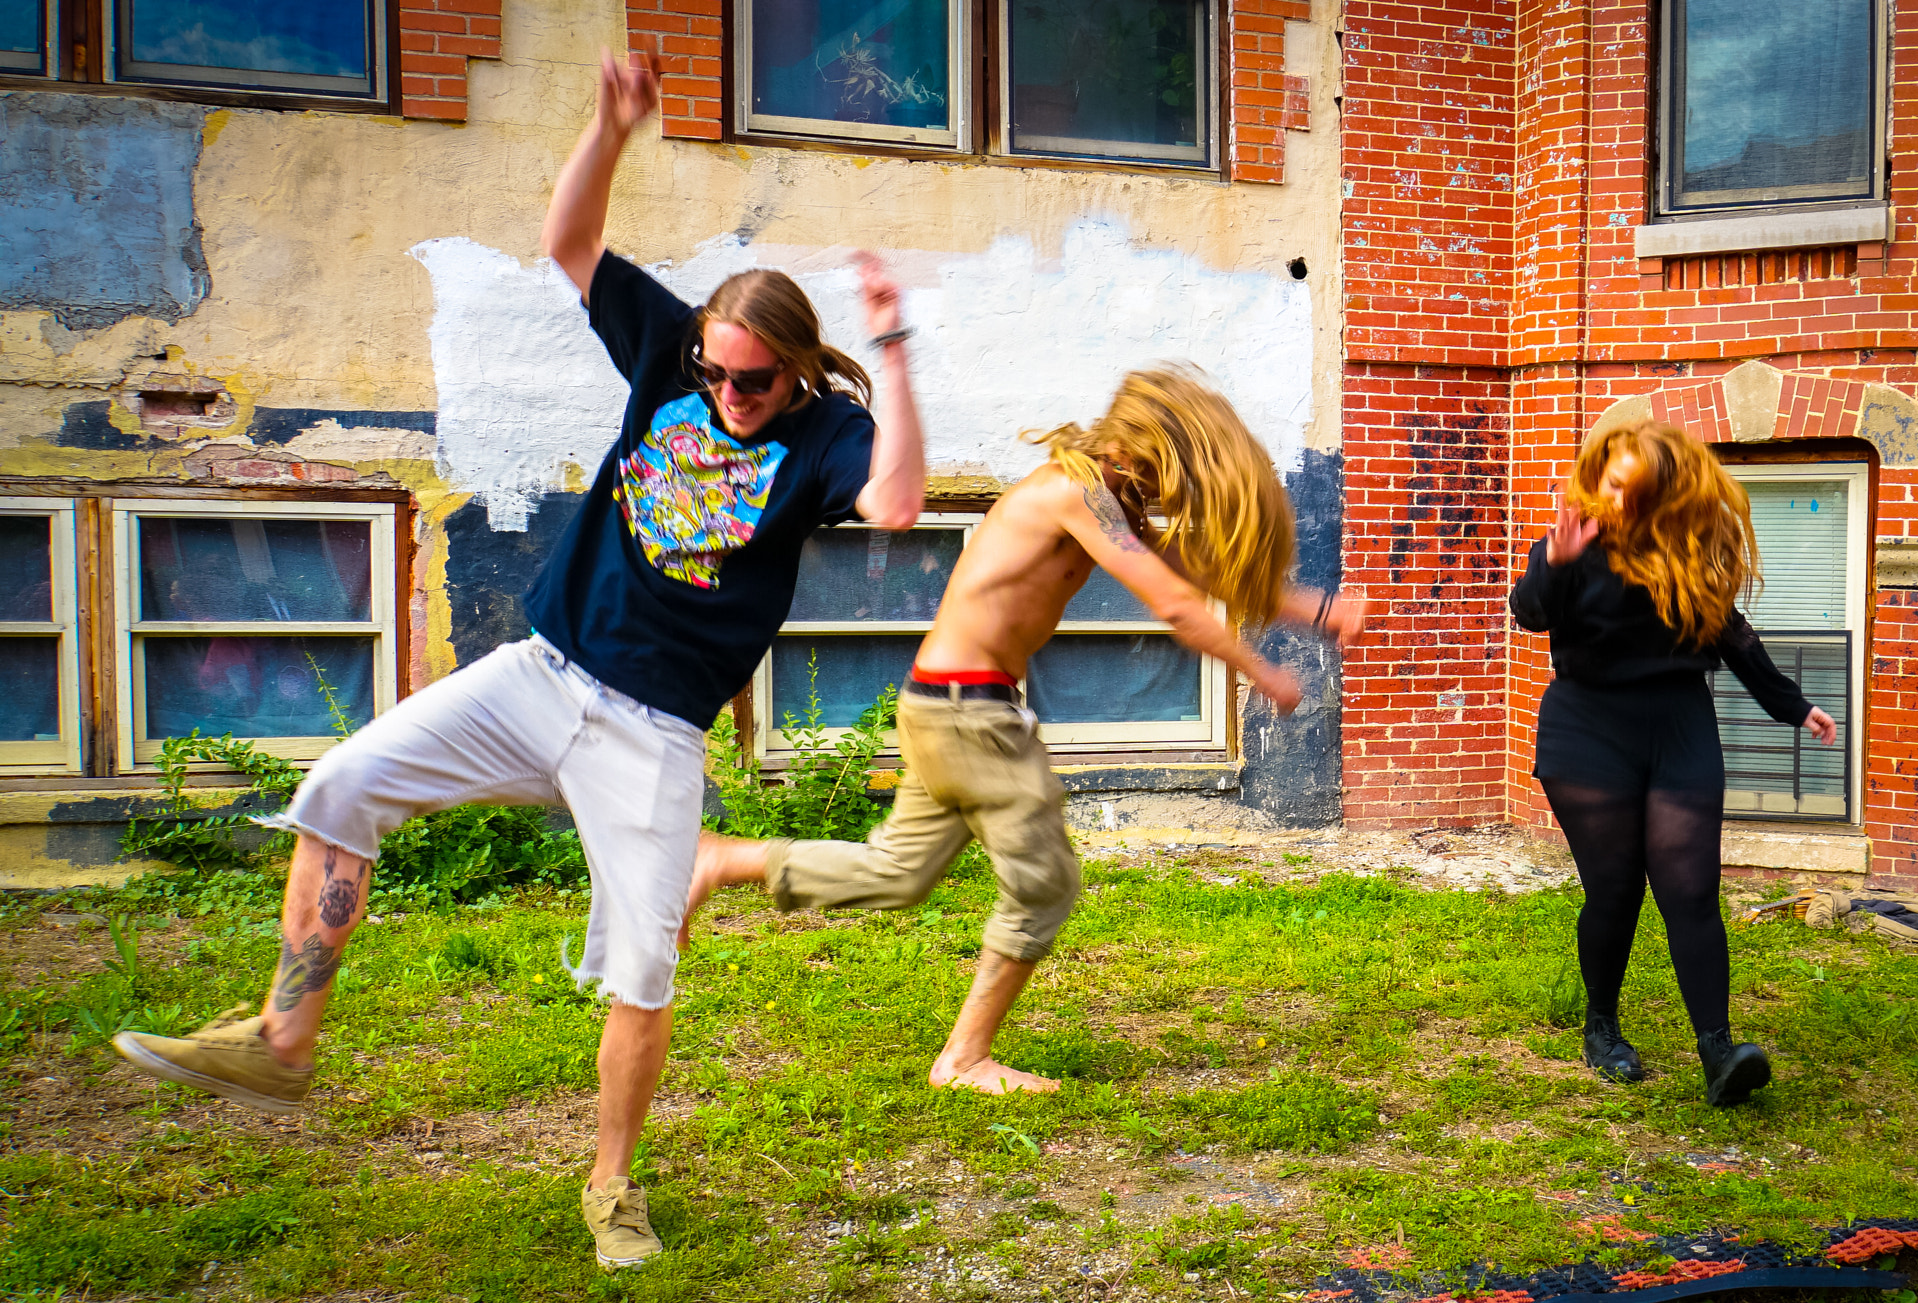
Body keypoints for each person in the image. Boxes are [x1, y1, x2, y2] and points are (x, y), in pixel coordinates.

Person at [109, 49, 929, 1273]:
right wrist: (607, 131)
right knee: (338, 788)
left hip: (651, 731)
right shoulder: (668, 357)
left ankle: (611, 1184)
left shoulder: (827, 434)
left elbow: (904, 504)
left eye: (750, 379)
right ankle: (282, 1037)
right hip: (544, 672)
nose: (725, 392)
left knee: (644, 966)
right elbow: (570, 241)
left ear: (796, 369)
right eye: (711, 371)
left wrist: (900, 351)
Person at [687, 366, 1365, 1095]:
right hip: (970, 714)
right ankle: (965, 1057)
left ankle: (724, 859)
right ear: (1148, 453)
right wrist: (1261, 673)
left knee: (899, 873)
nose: (1178, 494)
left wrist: (1320, 610)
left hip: (942, 705)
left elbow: (1204, 574)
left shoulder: (1100, 503)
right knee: (1045, 883)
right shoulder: (1073, 494)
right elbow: (1173, 602)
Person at [1510, 419, 1837, 1107]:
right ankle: (1602, 1027)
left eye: (1638, 489)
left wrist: (1794, 705)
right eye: (1614, 482)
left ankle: (1719, 1050)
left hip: (1680, 726)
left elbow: (1735, 637)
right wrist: (1558, 560)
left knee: (1689, 890)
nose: (1620, 498)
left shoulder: (1688, 553)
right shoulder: (1574, 544)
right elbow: (1530, 613)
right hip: (1588, 728)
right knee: (1617, 889)